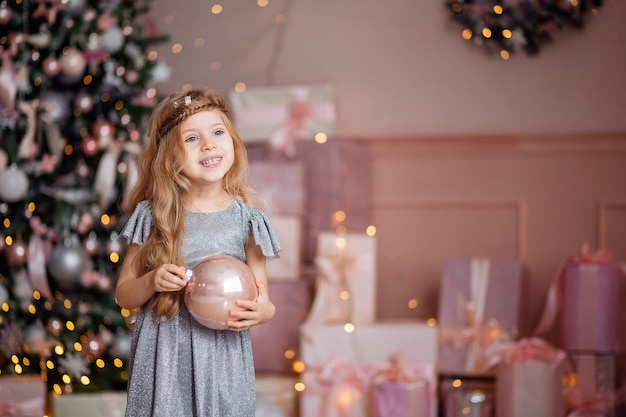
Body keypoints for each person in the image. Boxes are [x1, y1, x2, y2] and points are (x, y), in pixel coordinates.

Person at [115, 87, 281, 417]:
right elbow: (124, 295)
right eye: (191, 138)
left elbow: (263, 301)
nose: (208, 144)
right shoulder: (152, 215)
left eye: (218, 132)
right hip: (164, 352)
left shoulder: (248, 221)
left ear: (232, 142)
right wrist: (152, 281)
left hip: (223, 355)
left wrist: (261, 313)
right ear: (171, 156)